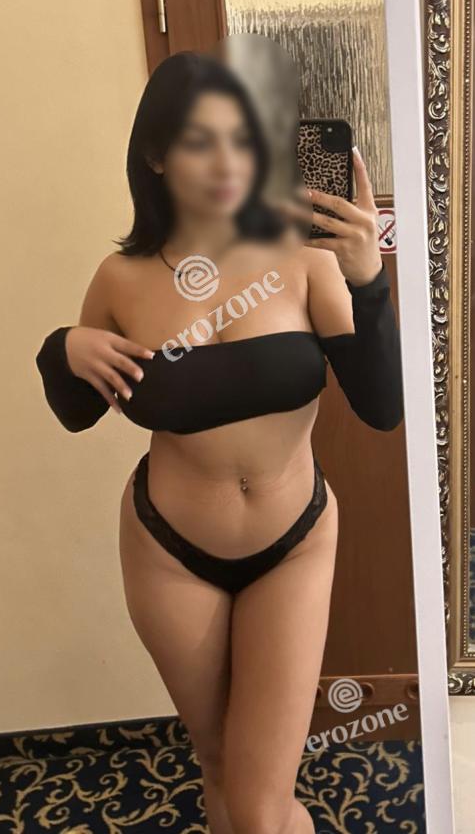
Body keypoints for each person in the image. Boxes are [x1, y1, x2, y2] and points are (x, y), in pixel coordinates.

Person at [36, 51, 404, 834]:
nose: (227, 161)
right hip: (168, 551)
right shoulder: (120, 278)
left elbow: (380, 409)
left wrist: (368, 281)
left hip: (293, 541)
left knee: (262, 803)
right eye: (199, 141)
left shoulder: (307, 261)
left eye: (242, 138)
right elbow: (76, 412)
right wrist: (62, 349)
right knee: (216, 768)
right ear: (156, 155)